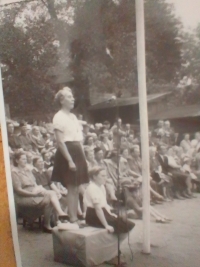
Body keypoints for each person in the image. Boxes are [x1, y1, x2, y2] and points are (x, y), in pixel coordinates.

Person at [51, 87, 89, 227]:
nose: (73, 99)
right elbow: (60, 142)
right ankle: (73, 218)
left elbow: (78, 140)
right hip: (67, 153)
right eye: (69, 97)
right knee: (71, 187)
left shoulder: (73, 117)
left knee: (77, 187)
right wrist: (70, 160)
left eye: (72, 96)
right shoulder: (58, 116)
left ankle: (75, 217)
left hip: (77, 151)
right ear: (62, 100)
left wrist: (84, 158)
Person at [12, 152, 68, 233]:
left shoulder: (28, 170)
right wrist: (33, 194)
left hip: (34, 191)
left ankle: (51, 222)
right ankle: (54, 220)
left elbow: (34, 183)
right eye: (23, 159)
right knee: (50, 198)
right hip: (24, 196)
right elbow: (18, 190)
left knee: (52, 194)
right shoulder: (14, 172)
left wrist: (40, 190)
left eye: (26, 159)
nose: (26, 160)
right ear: (17, 161)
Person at [84, 166, 135, 234]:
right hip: (93, 216)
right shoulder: (92, 188)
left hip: (102, 212)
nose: (105, 178)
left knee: (125, 222)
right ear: (94, 177)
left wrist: (111, 214)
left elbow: (104, 204)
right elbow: (98, 209)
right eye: (102, 176)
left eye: (106, 176)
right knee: (127, 225)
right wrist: (106, 225)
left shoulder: (101, 186)